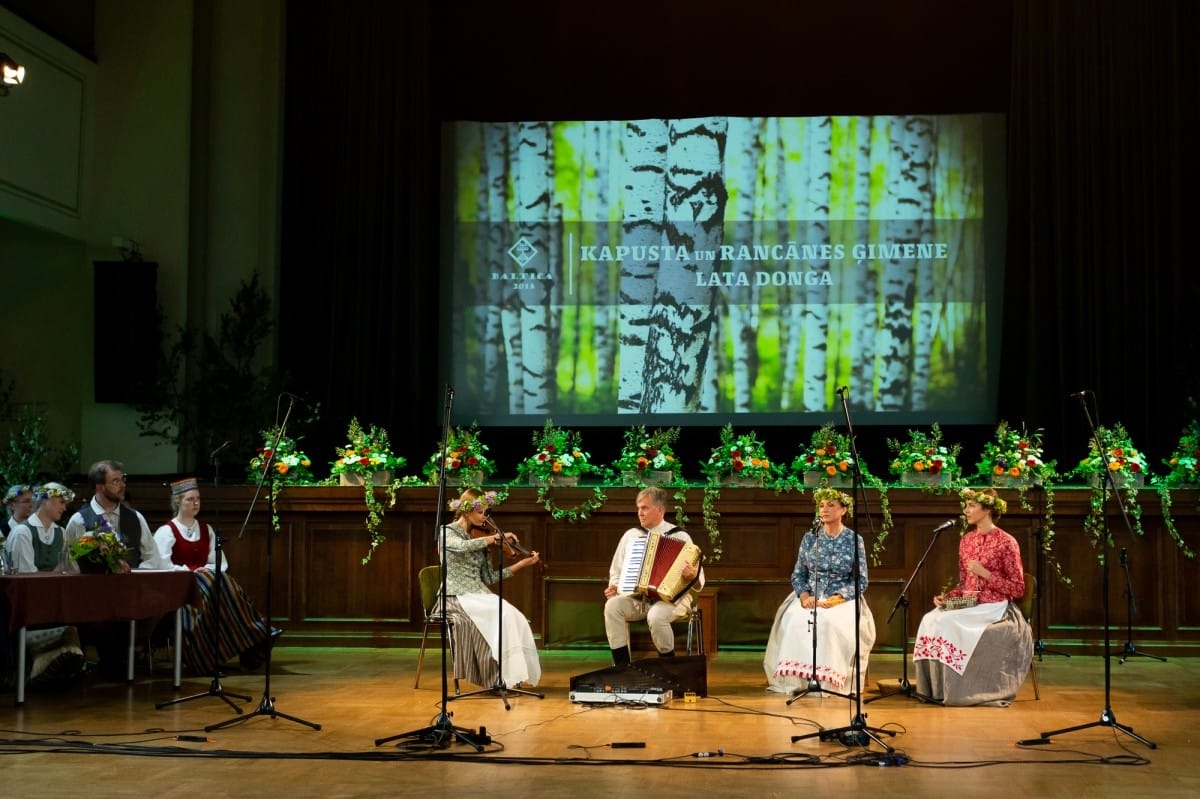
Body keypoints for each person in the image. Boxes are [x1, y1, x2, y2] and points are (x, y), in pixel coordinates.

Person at [913, 487, 1032, 706]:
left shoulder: (1007, 542)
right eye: (966, 506)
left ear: (986, 510)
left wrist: (986, 574)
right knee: (931, 618)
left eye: (972, 506)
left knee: (947, 622)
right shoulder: (967, 540)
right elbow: (964, 583)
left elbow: (1017, 588)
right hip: (970, 601)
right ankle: (933, 689)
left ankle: (955, 689)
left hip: (993, 606)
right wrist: (948, 597)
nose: (966, 510)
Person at [152, 477, 279, 673]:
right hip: (180, 589)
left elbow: (220, 563)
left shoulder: (206, 529)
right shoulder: (166, 532)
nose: (195, 503)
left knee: (222, 582)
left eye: (198, 499)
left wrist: (205, 571)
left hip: (208, 586)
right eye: (190, 499)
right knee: (218, 585)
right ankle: (255, 633)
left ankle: (251, 637)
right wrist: (190, 572)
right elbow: (162, 565)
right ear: (178, 502)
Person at [763, 487, 876, 696]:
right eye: (821, 506)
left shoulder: (854, 540)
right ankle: (798, 680)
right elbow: (798, 574)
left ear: (843, 510)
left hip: (842, 598)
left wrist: (839, 597)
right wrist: (805, 596)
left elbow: (861, 580)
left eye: (830, 505)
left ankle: (829, 681)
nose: (824, 510)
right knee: (796, 621)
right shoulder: (810, 538)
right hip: (812, 595)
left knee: (830, 623)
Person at [63, 459, 166, 677]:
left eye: (123, 480)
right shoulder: (79, 521)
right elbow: (70, 565)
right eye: (115, 481)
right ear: (99, 487)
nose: (122, 485)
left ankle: (128, 654)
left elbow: (152, 556)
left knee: (157, 605)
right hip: (95, 595)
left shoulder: (135, 517)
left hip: (132, 593)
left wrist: (135, 575)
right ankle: (112, 660)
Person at [436, 487, 542, 688]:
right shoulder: (446, 533)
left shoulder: (480, 538)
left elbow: (489, 577)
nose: (484, 517)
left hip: (478, 595)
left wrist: (520, 565)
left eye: (485, 512)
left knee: (513, 615)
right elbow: (462, 546)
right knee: (499, 615)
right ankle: (493, 677)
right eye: (480, 512)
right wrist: (493, 539)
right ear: (467, 512)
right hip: (454, 596)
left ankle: (511, 676)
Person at [603, 486, 703, 664]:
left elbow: (698, 580)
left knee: (656, 616)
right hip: (638, 599)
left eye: (645, 508)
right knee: (612, 606)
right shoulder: (631, 536)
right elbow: (616, 570)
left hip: (673, 600)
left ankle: (668, 665)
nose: (640, 513)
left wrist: (691, 575)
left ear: (660, 510)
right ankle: (622, 666)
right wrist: (615, 587)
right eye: (638, 508)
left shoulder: (680, 536)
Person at [0, 482, 86, 688]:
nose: (64, 507)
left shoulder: (61, 532)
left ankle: (62, 667)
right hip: (26, 605)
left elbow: (69, 568)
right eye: (60, 502)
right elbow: (25, 579)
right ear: (45, 501)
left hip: (53, 599)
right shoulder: (23, 532)